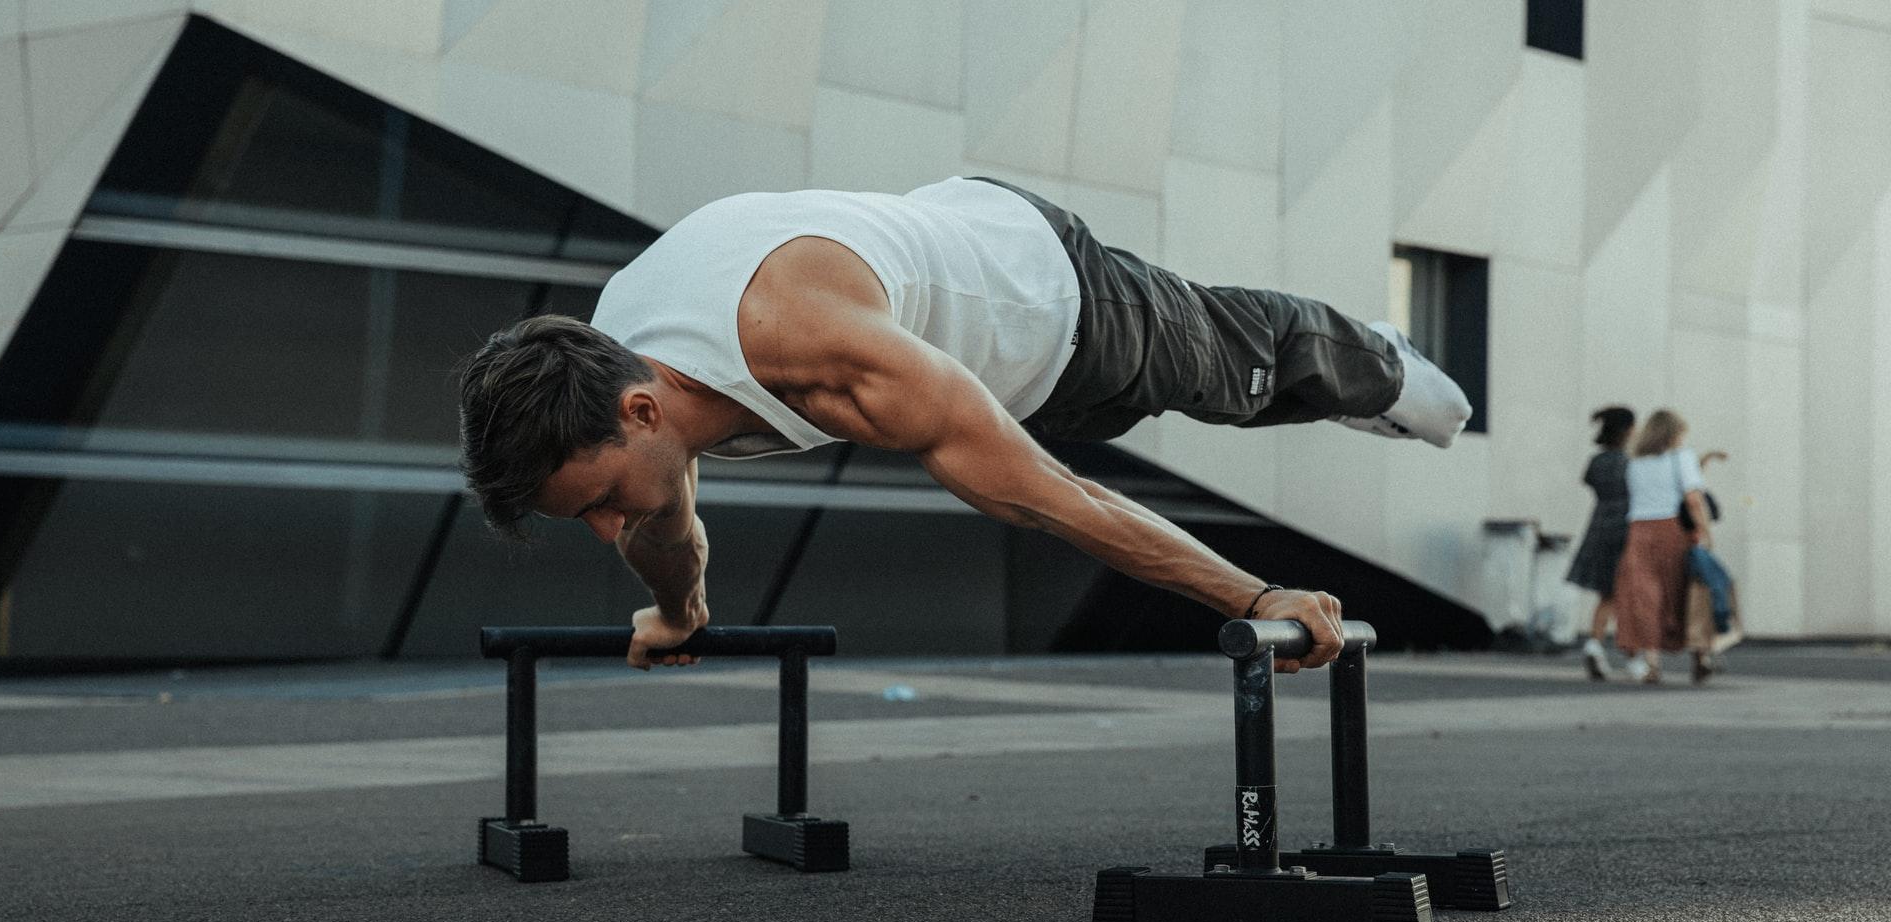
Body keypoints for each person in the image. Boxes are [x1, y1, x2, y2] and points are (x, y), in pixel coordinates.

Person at [456, 177, 1472, 672]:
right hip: (964, 333)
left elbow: (1054, 500)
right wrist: (679, 616)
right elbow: (661, 528)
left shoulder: (814, 349)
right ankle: (1355, 378)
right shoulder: (622, 390)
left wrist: (1258, 595)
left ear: (643, 410)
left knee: (1238, 372)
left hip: (1061, 306)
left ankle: (1378, 359)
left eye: (593, 504)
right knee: (1240, 400)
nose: (603, 528)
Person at [1610, 409, 1719, 684]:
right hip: (1672, 530)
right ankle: (1700, 657)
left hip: (1638, 531)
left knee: (1646, 597)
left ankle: (1651, 661)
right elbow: (1693, 498)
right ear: (1673, 434)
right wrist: (1704, 531)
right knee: (1688, 592)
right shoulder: (1681, 458)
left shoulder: (1634, 463)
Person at [1565, 406, 1635, 680]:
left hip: (1599, 525)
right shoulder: (1628, 463)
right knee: (1626, 594)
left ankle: (1595, 643)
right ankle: (1633, 656)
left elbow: (1589, 481)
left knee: (1607, 593)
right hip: (1625, 526)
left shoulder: (1597, 462)